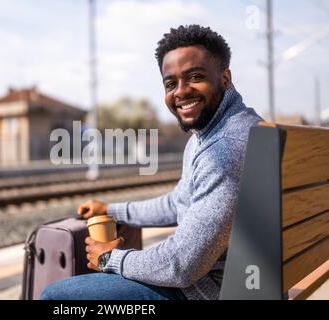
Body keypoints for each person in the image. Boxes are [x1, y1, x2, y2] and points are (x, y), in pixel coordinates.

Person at [41, 24, 263, 300]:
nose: (180, 92)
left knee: (56, 297)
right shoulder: (221, 133)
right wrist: (112, 210)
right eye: (171, 83)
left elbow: (181, 265)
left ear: (225, 78)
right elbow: (177, 203)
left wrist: (110, 259)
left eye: (195, 76)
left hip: (220, 292)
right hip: (251, 281)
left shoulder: (226, 147)